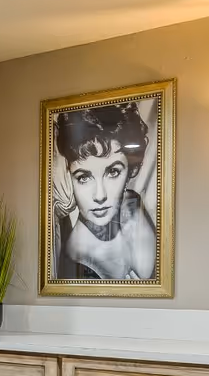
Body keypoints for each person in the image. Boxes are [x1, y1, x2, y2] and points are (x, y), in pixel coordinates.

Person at [51, 99, 158, 280]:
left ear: (131, 170)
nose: (100, 196)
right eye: (83, 177)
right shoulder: (77, 258)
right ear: (69, 177)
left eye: (113, 172)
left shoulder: (132, 203)